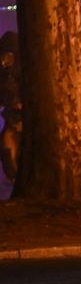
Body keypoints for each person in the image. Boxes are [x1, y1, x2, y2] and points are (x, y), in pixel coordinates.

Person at [0, 31, 21, 185]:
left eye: (9, 54)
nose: (4, 59)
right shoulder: (3, 73)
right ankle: (15, 178)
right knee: (6, 145)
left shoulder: (22, 71)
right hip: (11, 115)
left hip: (23, 115)